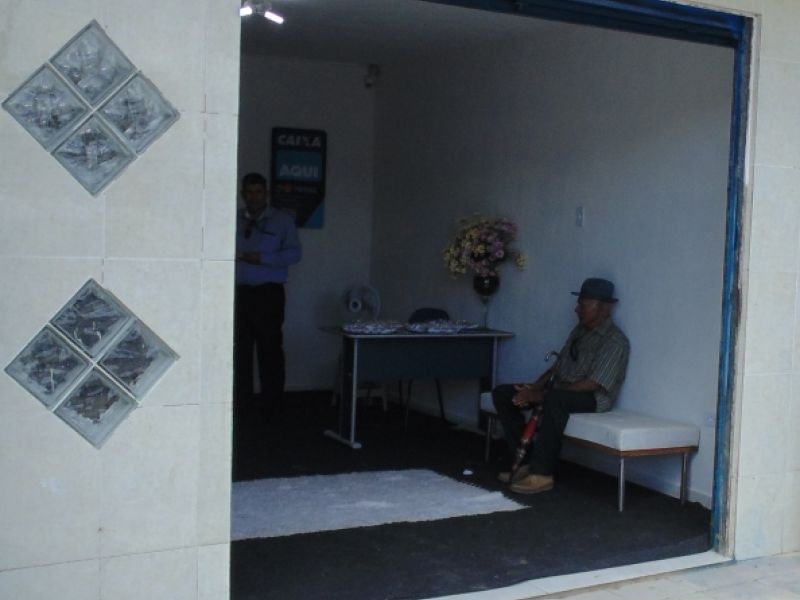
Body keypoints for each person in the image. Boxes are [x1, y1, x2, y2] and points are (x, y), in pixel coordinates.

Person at [492, 277, 630, 495]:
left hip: (592, 397)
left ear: (603, 308)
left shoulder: (614, 341)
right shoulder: (579, 331)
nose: (576, 309)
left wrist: (543, 394)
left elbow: (593, 383)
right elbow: (558, 366)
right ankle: (526, 463)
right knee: (503, 393)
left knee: (555, 400)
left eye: (582, 304)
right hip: (560, 390)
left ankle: (542, 474)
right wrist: (534, 388)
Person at [234, 172, 302, 413]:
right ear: (242, 194)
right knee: (240, 351)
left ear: (266, 194)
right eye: (249, 192)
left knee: (270, 348)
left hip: (268, 294)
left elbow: (294, 253)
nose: (253, 197)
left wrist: (262, 258)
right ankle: (240, 405)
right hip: (239, 294)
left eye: (258, 192)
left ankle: (272, 406)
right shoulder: (233, 219)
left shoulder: (281, 221)